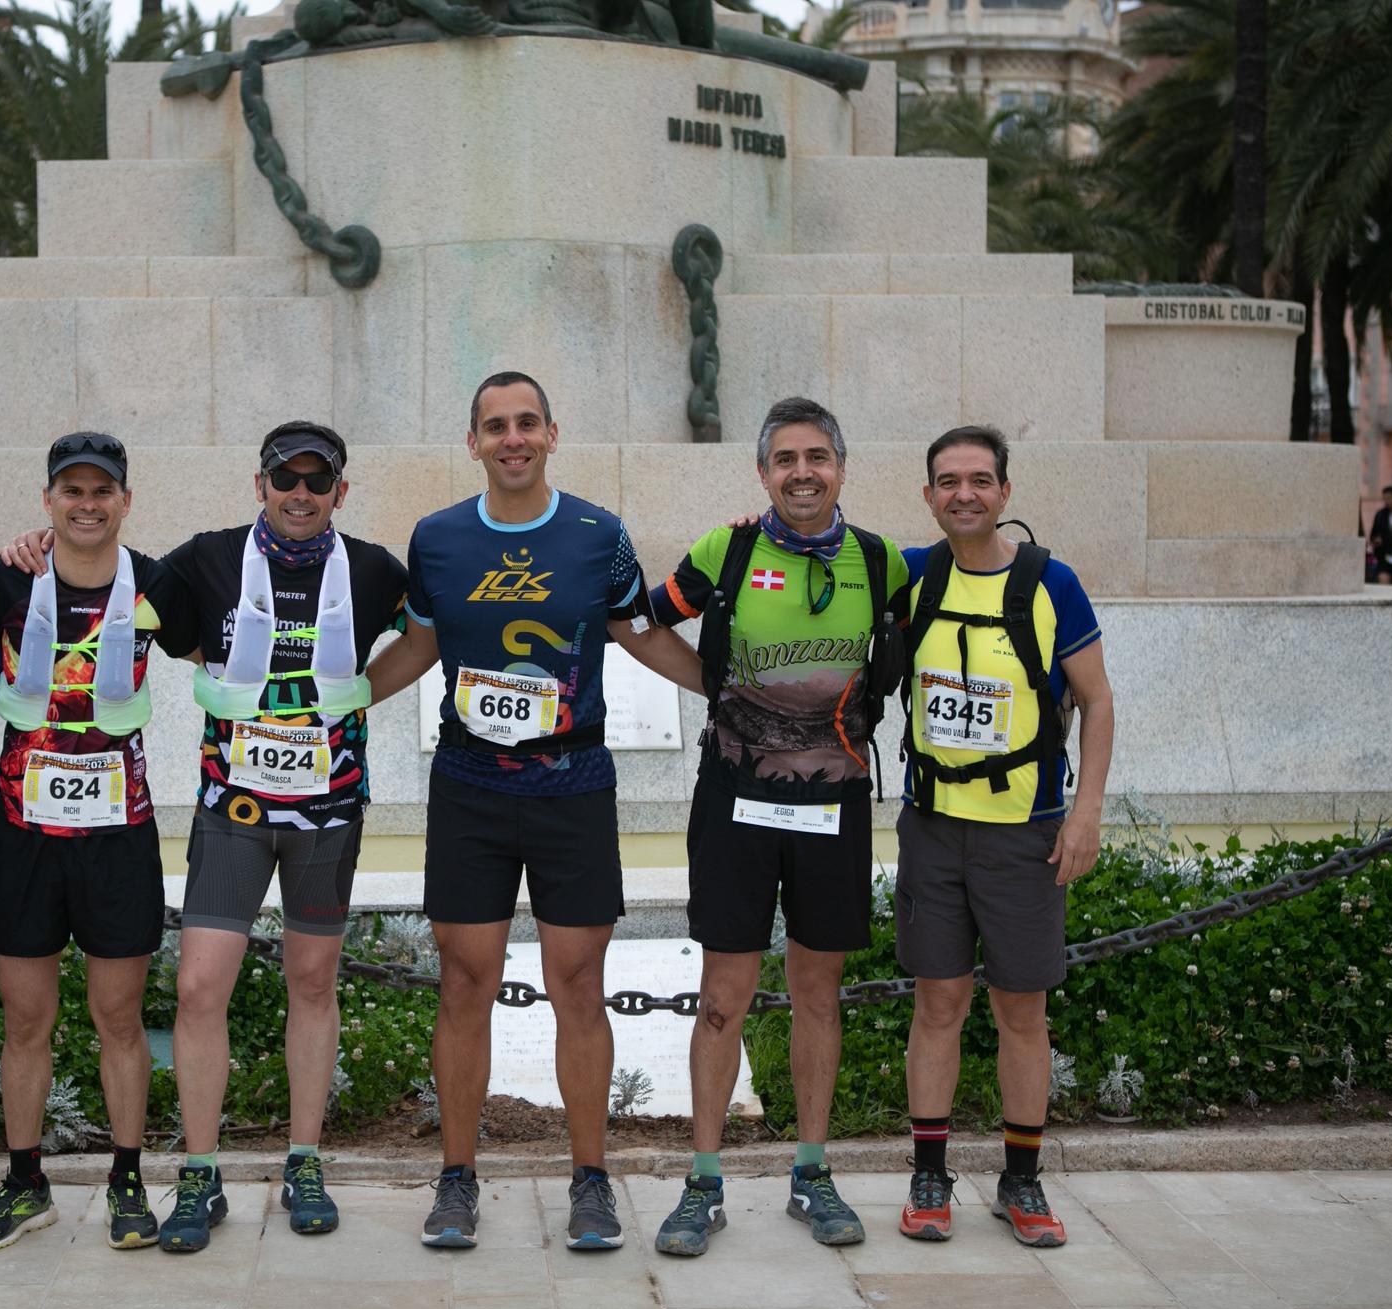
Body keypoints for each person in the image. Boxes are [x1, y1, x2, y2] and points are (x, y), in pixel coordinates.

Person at [367, 371, 702, 1251]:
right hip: (471, 786)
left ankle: (590, 1179)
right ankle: (456, 1179)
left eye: (526, 423)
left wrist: (728, 690)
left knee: (579, 984)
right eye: (494, 426)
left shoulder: (599, 533)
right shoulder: (437, 539)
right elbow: (418, 647)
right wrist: (329, 703)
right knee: (465, 982)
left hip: (575, 785)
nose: (511, 438)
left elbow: (639, 631)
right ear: (472, 441)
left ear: (553, 432)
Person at [642, 397, 907, 1256]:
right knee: (724, 998)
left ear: (841, 467)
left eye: (818, 457)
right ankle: (704, 1181)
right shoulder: (729, 550)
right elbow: (639, 622)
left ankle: (812, 1172)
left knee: (816, 993)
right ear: (763, 471)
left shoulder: (882, 562)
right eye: (786, 458)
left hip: (834, 803)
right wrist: (718, 688)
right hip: (733, 798)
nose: (803, 472)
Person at [143, 421, 409, 1251]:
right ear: (257, 483)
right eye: (284, 479)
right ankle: (199, 1172)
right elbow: (138, 609)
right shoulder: (205, 558)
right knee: (198, 987)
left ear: (340, 490)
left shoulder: (369, 569)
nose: (300, 494)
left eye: (317, 481)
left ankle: (303, 1159)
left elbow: (433, 630)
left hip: (328, 817)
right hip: (236, 813)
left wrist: (363, 693)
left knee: (314, 983)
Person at [0, 433, 172, 1254]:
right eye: (70, 491)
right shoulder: (11, 578)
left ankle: (127, 1180)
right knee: (26, 1019)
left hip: (119, 835)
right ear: (47, 500)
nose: (86, 504)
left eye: (101, 490)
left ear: (124, 500)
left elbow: (232, 635)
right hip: (24, 835)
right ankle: (24, 1180)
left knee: (119, 1015)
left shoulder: (155, 581)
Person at [894, 426, 1114, 1249]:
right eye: (947, 481)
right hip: (933, 826)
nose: (964, 494)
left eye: (980, 479)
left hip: (1026, 833)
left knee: (1023, 1008)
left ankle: (1021, 1181)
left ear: (1004, 493)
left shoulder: (1052, 582)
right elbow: (821, 549)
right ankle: (929, 1173)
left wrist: (1086, 808)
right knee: (938, 1002)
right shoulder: (910, 576)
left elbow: (1098, 700)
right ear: (928, 496)